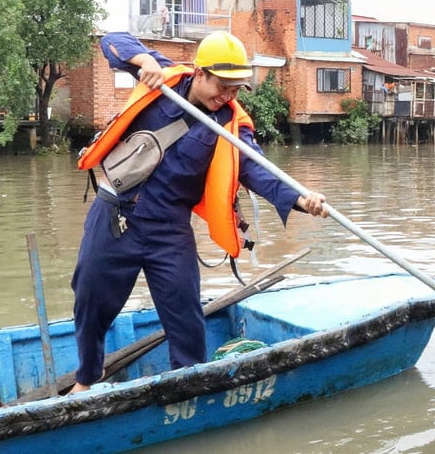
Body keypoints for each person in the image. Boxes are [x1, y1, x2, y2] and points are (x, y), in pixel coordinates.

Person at [69, 30, 330, 393]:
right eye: (222, 86)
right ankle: (87, 378)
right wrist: (144, 63)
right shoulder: (166, 78)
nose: (227, 96)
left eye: (236, 89)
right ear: (200, 73)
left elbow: (258, 170)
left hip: (168, 231)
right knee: (90, 299)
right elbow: (113, 41)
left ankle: (187, 385)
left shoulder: (230, 126)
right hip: (115, 216)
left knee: (185, 315)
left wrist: (303, 199)